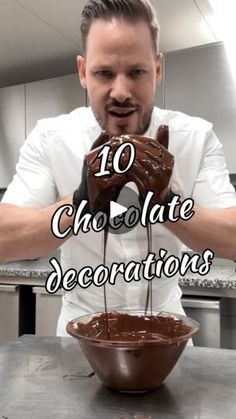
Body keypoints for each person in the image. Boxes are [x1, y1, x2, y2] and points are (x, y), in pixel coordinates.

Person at [0, 0, 236, 336]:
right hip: (80, 337)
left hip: (165, 335)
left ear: (157, 69)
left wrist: (168, 203)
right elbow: (4, 239)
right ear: (83, 72)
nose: (121, 92)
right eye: (104, 73)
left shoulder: (196, 137)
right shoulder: (51, 138)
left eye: (136, 72)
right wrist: (80, 203)